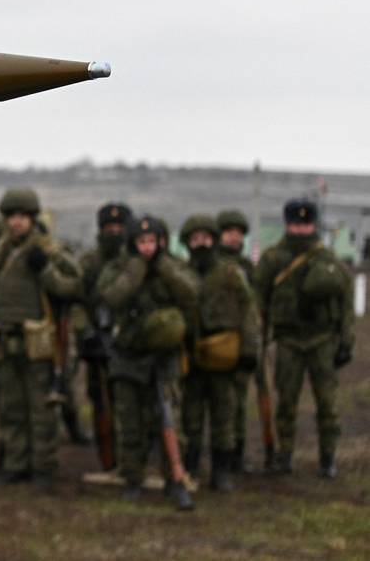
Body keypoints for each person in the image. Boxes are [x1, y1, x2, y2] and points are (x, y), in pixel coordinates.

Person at [0, 188, 82, 491]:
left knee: (42, 410)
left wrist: (44, 270)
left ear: (32, 218)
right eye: (11, 217)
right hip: (5, 340)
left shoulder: (49, 250)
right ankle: (15, 465)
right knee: (11, 408)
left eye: (22, 217)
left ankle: (44, 469)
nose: (16, 223)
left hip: (40, 344)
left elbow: (73, 287)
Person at [97, 215, 198, 510]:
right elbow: (109, 297)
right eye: (141, 242)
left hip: (163, 355)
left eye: (152, 241)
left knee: (168, 419)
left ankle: (175, 480)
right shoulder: (119, 268)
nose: (147, 247)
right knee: (130, 421)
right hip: (127, 355)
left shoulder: (173, 267)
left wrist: (164, 268)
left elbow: (192, 294)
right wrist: (135, 271)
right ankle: (132, 478)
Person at [255, 198, 354, 478]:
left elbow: (345, 302)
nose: (301, 230)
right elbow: (259, 301)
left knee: (328, 404)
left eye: (306, 224)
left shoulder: (327, 258)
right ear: (287, 224)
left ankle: (327, 459)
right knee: (286, 403)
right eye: (297, 225)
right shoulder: (273, 259)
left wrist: (346, 342)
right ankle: (284, 456)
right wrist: (258, 342)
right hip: (288, 341)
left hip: (323, 340)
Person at [178, 215, 260, 492]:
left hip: (224, 354)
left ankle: (221, 471)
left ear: (213, 240)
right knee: (191, 417)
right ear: (187, 243)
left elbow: (248, 311)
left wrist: (249, 350)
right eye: (195, 239)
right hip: (190, 355)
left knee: (224, 416)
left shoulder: (230, 274)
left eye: (206, 238)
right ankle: (190, 468)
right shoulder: (179, 273)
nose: (201, 244)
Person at [76, 202, 132, 470]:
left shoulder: (136, 262)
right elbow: (76, 300)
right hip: (97, 341)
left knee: (130, 403)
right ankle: (107, 458)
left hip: (130, 342)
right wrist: (85, 332)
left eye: (119, 227)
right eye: (109, 228)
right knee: (100, 402)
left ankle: (134, 459)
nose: (114, 233)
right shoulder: (89, 262)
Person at [215, 208, 268, 471]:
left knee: (238, 402)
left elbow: (255, 304)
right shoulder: (212, 264)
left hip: (242, 340)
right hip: (217, 342)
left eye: (238, 234)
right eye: (229, 233)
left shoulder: (248, 267)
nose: (234, 238)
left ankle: (236, 453)